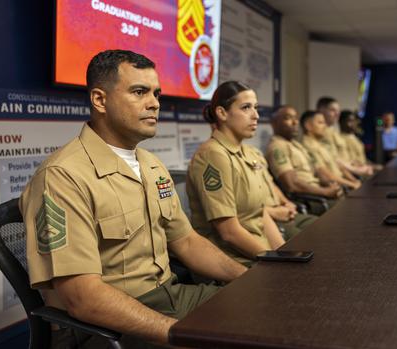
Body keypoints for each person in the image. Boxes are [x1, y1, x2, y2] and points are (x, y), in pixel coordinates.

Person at [19, 50, 247, 348]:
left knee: (264, 308)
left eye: (156, 93)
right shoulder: (63, 176)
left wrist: (249, 278)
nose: (154, 103)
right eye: (139, 92)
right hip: (108, 327)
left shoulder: (151, 164)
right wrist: (179, 332)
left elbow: (187, 242)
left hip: (172, 297)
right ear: (99, 100)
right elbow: (83, 299)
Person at [186, 81, 285, 267]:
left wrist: (283, 254)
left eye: (256, 108)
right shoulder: (213, 155)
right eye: (246, 108)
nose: (255, 115)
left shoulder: (243, 151)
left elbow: (260, 213)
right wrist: (275, 260)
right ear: (222, 113)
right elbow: (229, 233)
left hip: (260, 252)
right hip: (232, 260)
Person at [266, 105, 342, 205]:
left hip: (320, 192)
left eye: (296, 118)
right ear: (274, 124)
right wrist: (325, 192)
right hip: (308, 198)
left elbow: (318, 170)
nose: (295, 122)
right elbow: (292, 184)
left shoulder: (298, 145)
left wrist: (331, 185)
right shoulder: (277, 147)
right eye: (288, 118)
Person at [248, 145, 318, 240]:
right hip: (260, 218)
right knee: (307, 240)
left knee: (321, 226)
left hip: (281, 210)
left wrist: (286, 202)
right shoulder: (224, 157)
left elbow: (270, 183)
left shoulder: (252, 152)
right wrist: (272, 212)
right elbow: (237, 208)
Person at [300, 110, 361, 190]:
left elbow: (339, 166)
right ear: (308, 126)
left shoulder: (322, 144)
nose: (325, 126)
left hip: (342, 182)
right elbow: (325, 173)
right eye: (320, 123)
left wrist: (354, 180)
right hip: (334, 185)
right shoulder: (308, 146)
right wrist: (351, 184)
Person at [317, 97, 373, 176]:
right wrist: (356, 171)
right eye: (333, 110)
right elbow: (334, 160)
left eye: (338, 111)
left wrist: (361, 166)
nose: (337, 114)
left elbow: (347, 158)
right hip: (341, 175)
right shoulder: (321, 134)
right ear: (321, 110)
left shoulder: (333, 132)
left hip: (349, 172)